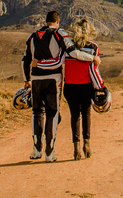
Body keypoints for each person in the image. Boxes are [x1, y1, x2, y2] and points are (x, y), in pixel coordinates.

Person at [22, 10, 98, 162]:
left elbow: (25, 59)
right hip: (53, 79)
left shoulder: (32, 36)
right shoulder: (60, 34)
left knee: (37, 112)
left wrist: (26, 80)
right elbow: (74, 53)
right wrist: (92, 58)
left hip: (35, 79)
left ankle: (37, 150)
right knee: (52, 113)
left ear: (46, 21)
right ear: (57, 22)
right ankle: (49, 153)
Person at [64, 17, 106, 160]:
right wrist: (100, 85)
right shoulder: (93, 47)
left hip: (70, 85)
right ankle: (86, 144)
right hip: (86, 85)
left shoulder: (68, 46)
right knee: (86, 114)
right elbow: (94, 68)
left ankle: (76, 147)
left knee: (75, 115)